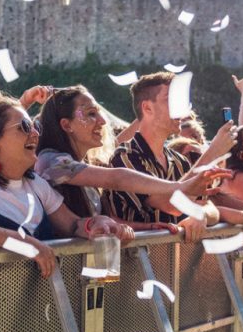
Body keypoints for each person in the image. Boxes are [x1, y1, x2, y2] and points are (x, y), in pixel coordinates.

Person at [0, 89, 134, 278]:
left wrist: (95, 223)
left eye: (35, 126)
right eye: (24, 126)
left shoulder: (35, 184)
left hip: (36, 305)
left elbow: (73, 225)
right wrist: (25, 243)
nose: (35, 133)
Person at [35, 86, 226, 231]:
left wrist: (146, 228)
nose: (102, 121)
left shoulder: (82, 167)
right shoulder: (50, 162)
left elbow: (104, 219)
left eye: (99, 113)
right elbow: (116, 178)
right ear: (66, 125)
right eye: (91, 114)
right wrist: (181, 186)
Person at [105, 72, 237, 241]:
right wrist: (212, 153)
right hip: (136, 264)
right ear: (147, 108)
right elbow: (170, 205)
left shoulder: (180, 161)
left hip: (171, 264)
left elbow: (210, 207)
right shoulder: (125, 157)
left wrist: (202, 213)